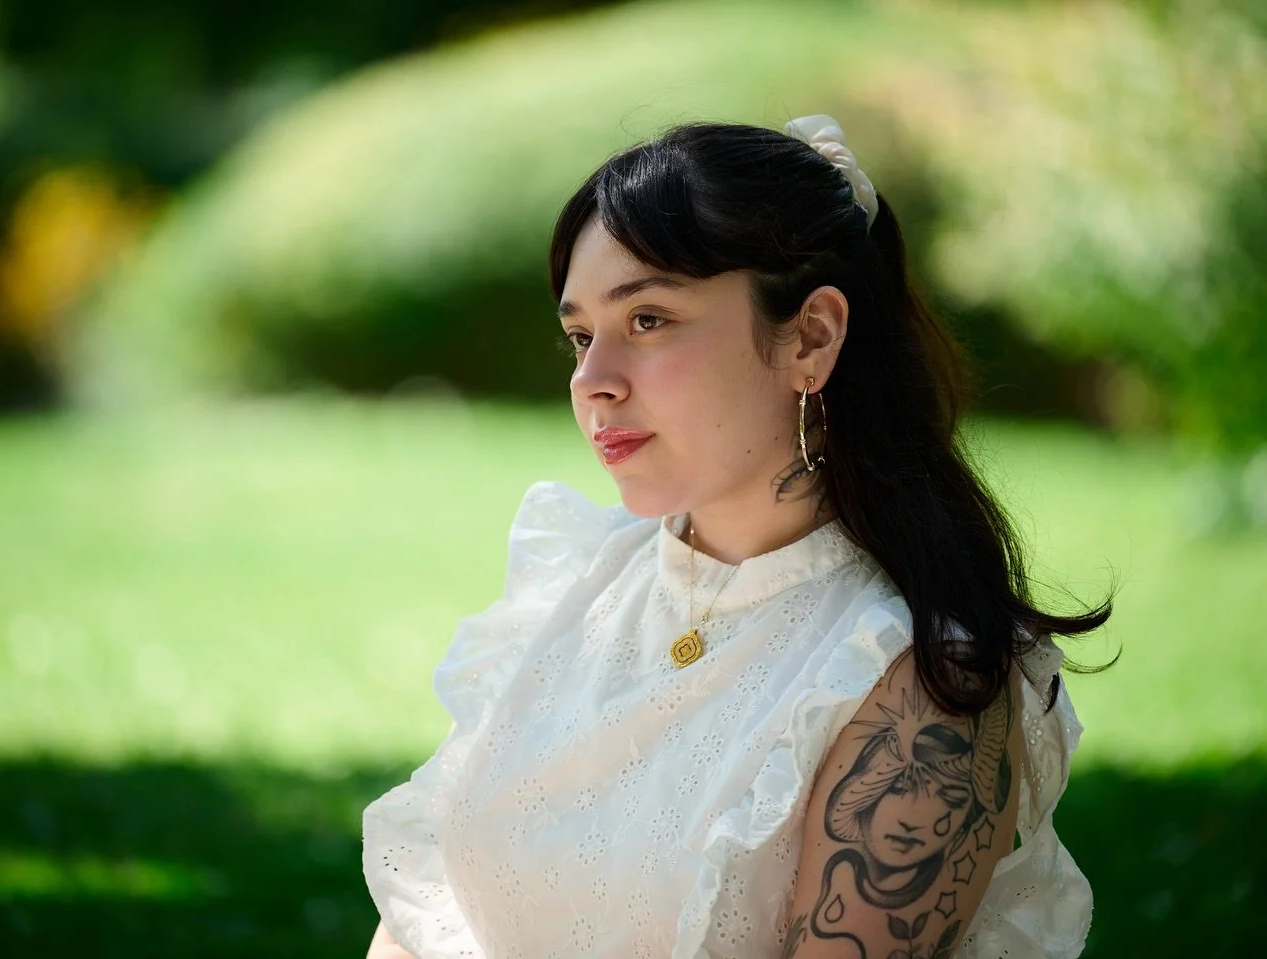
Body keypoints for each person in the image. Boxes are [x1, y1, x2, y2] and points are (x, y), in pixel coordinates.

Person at [360, 114, 1115, 959]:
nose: (592, 381)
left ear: (813, 337)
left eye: (647, 319)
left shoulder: (918, 684)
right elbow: (430, 913)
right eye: (581, 335)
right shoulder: (583, 580)